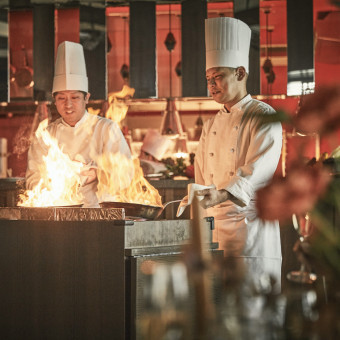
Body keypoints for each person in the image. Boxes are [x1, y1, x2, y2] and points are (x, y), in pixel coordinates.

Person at [194, 17, 283, 291]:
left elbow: (259, 169)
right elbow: (200, 175)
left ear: (241, 73)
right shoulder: (209, 125)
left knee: (254, 317)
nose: (212, 85)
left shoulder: (264, 115)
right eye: (208, 79)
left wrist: (220, 194)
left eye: (218, 77)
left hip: (251, 232)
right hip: (214, 234)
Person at [26, 41, 131, 207]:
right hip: (57, 216)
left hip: (100, 214)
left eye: (74, 98)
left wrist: (98, 174)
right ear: (55, 100)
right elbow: (33, 179)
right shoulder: (46, 136)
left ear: (86, 98)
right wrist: (53, 184)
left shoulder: (106, 129)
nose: (68, 105)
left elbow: (126, 175)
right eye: (61, 98)